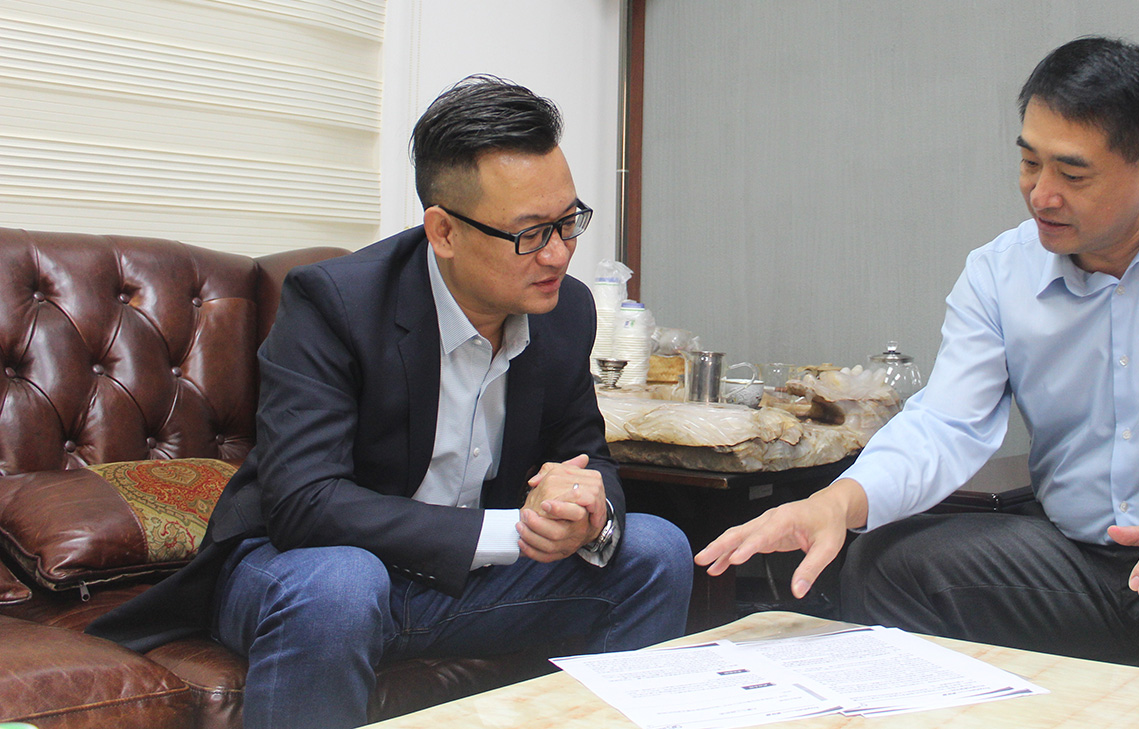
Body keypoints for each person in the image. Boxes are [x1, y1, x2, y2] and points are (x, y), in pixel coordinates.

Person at [696, 37, 1139, 688]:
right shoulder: (1000, 272)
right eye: (1029, 163)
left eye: (1073, 174)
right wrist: (835, 502)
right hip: (1073, 560)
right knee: (889, 563)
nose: (1041, 195)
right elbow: (945, 425)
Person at [90, 76, 692, 729]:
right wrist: (511, 529)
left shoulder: (565, 309)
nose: (558, 253)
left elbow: (587, 457)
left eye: (568, 222)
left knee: (656, 549)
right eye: (530, 233)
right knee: (343, 584)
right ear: (444, 230)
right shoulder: (335, 302)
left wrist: (587, 513)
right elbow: (304, 502)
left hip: (461, 583)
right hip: (305, 572)